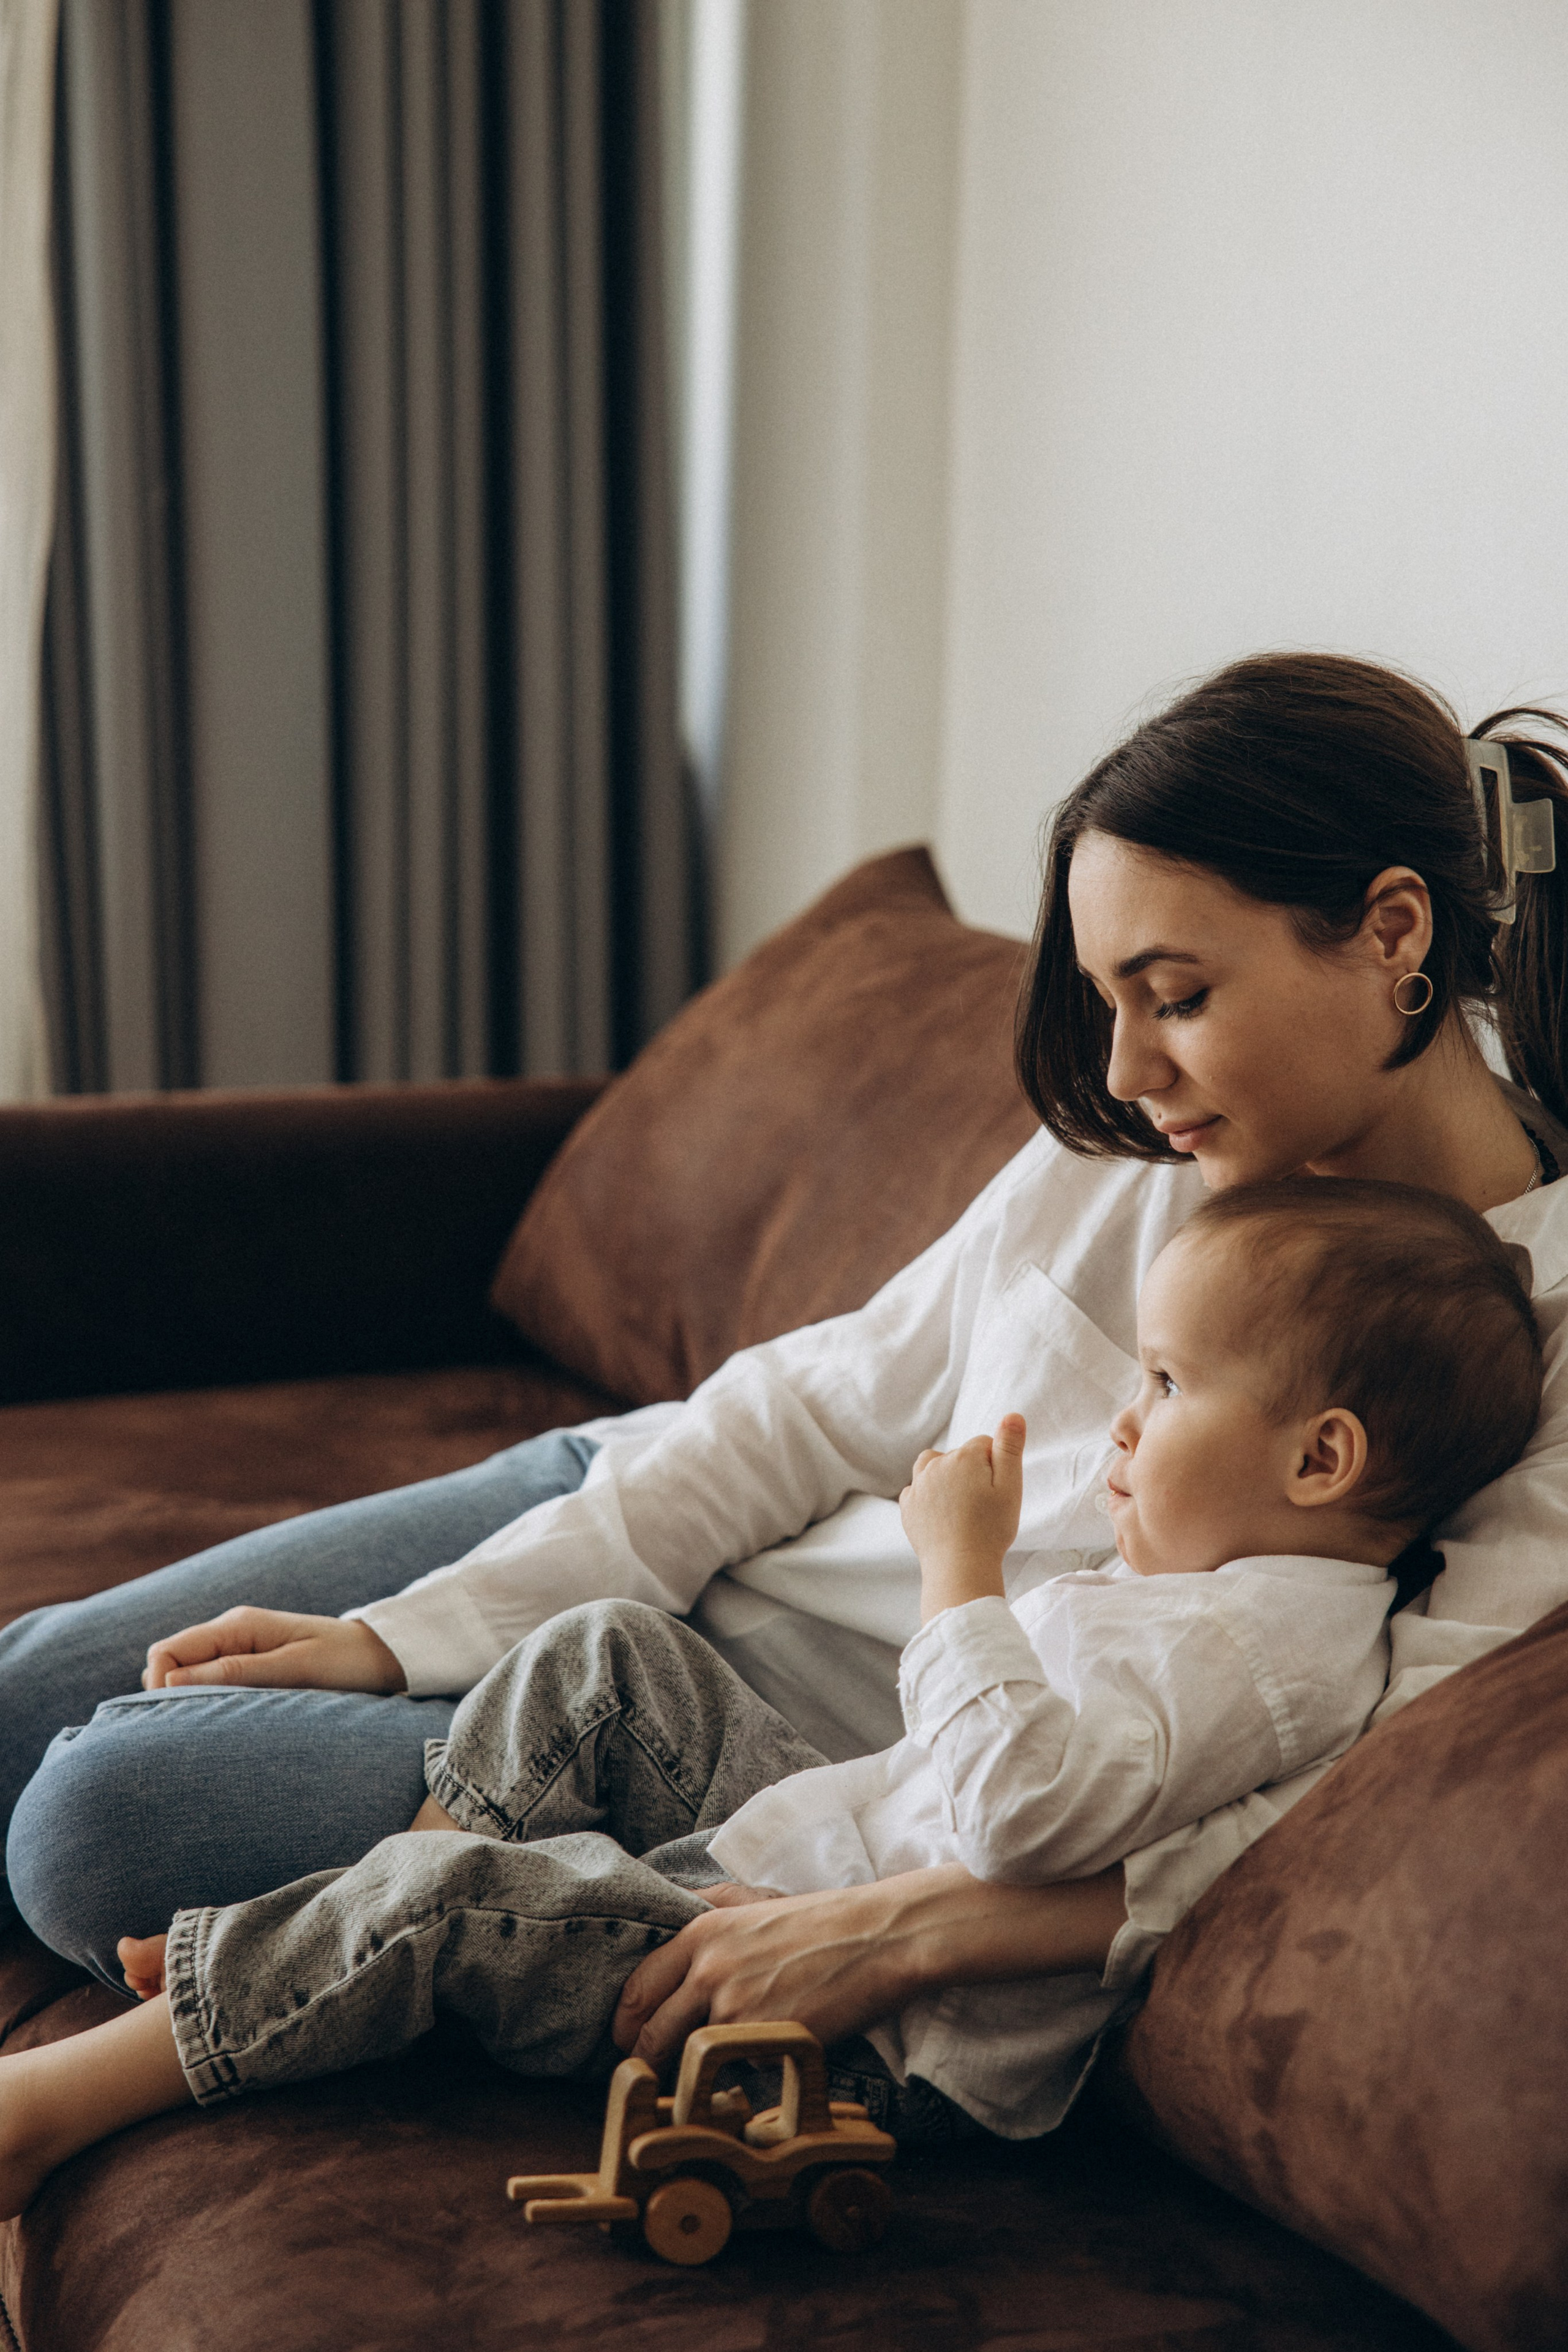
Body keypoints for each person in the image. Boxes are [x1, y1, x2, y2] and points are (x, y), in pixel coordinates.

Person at [7, 651, 1568, 2072]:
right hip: (634, 1516)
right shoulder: (1144, 1143)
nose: (1120, 1070)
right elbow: (818, 1400)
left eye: (1175, 997)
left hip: (758, 1757)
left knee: (96, 1820)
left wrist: (922, 1923)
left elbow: (1350, 1778)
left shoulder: (1536, 1328)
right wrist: (412, 1633)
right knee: (23, 1696)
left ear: (1391, 934)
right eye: (1108, 1002)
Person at [0, 1175, 1539, 2212]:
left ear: (1321, 1459)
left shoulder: (1272, 1649)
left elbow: (1018, 1812)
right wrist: (405, 1635)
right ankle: (355, 1906)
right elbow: (818, 1396)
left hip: (884, 2029)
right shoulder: (1236, 1581)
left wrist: (961, 1580)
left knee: (425, 1899)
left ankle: (86, 2088)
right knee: (608, 1651)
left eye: (1160, 1387)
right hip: (825, 1819)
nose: (1120, 1423)